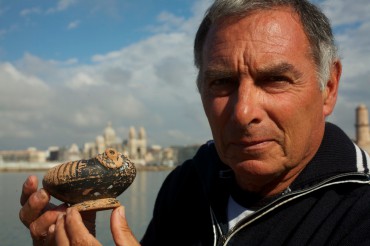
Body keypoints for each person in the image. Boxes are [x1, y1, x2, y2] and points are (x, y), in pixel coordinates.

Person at [19, 0, 370, 245]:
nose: (243, 111)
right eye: (221, 82)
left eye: (274, 79)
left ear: (328, 87)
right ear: (200, 88)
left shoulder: (359, 211)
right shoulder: (187, 183)